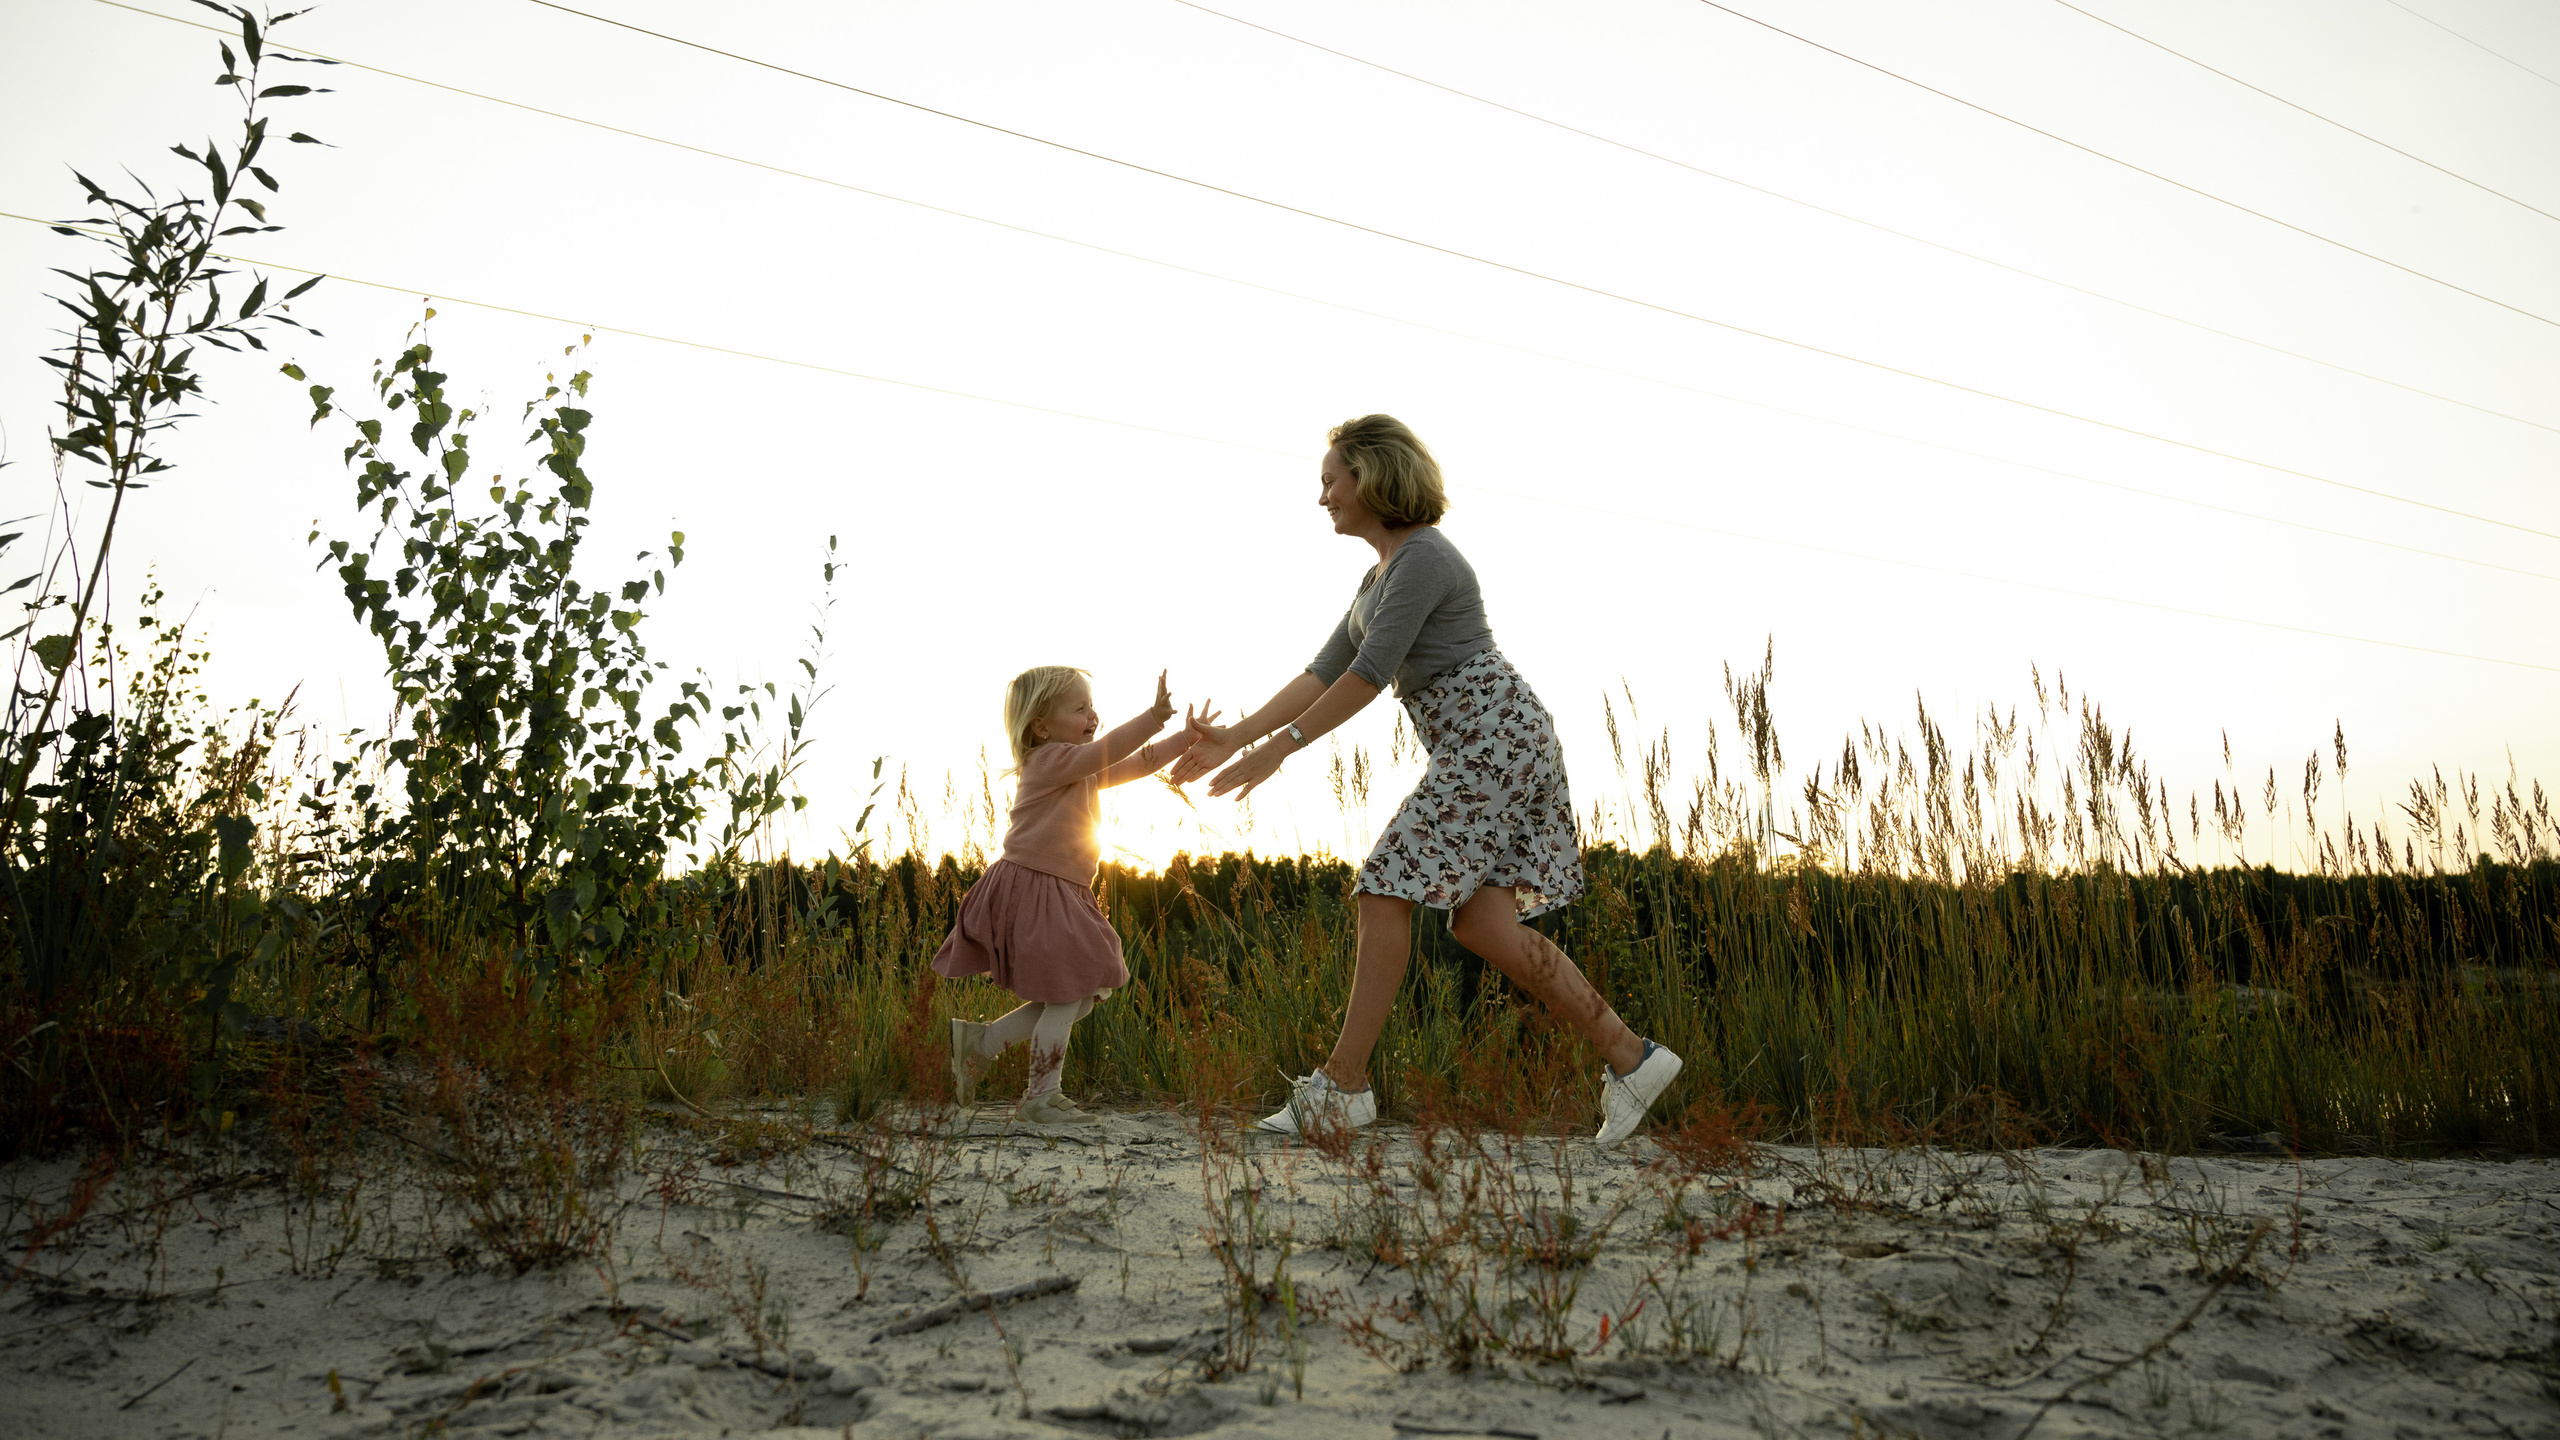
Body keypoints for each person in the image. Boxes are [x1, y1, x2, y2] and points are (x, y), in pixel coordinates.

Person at [1171, 415, 1681, 1148]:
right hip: (1491, 742)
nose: (1323, 498)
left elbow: (1369, 676)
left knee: (1385, 885)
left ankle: (1342, 1085)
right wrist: (1235, 735)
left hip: (1494, 737)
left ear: (1371, 477)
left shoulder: (1425, 559)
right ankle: (1633, 1058)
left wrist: (1280, 748)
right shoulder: (1377, 576)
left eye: (1330, 481)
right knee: (1482, 923)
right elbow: (1321, 672)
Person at [936, 667, 1209, 1124]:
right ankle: (1041, 1096)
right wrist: (1153, 717)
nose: (1092, 715)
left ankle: (979, 1045)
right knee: (1067, 995)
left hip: (1061, 891)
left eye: (1091, 706)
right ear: (1041, 726)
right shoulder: (1047, 761)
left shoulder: (1078, 769)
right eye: (1079, 708)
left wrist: (1184, 740)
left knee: (1080, 993)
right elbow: (1110, 749)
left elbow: (1135, 762)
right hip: (1036, 888)